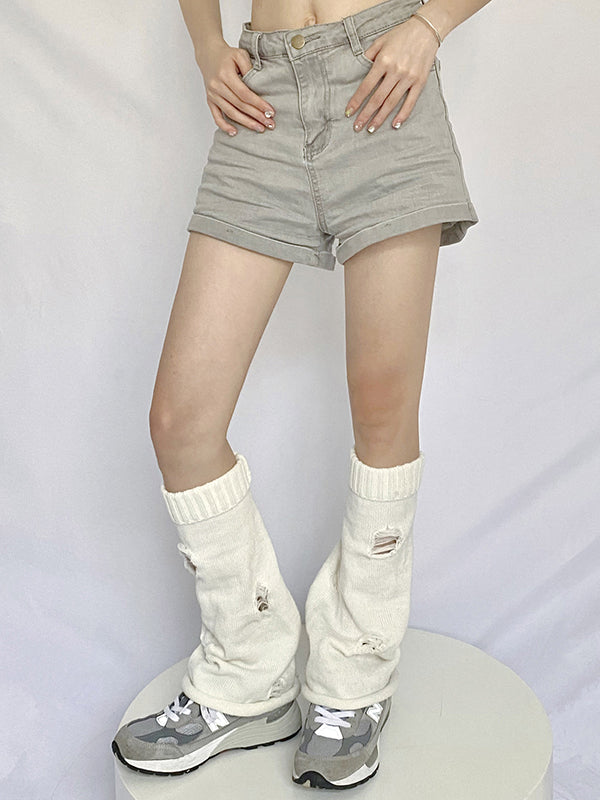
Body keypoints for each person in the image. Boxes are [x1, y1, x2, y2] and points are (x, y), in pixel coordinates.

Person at [111, 0, 489, 789]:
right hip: (264, 101)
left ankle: (355, 674)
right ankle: (248, 671)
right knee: (181, 422)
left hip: (383, 84)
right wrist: (206, 44)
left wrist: (431, 26)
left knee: (382, 406)